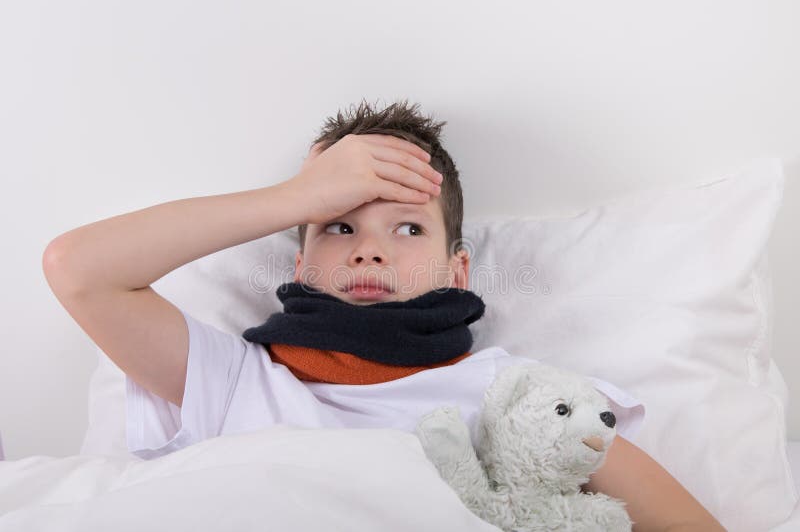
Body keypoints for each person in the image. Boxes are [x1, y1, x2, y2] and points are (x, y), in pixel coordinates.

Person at [43, 99, 723, 531]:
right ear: (299, 264)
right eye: (337, 228)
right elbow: (78, 270)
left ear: (458, 269)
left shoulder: (519, 400)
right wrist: (295, 197)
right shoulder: (233, 380)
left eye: (406, 231)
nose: (369, 254)